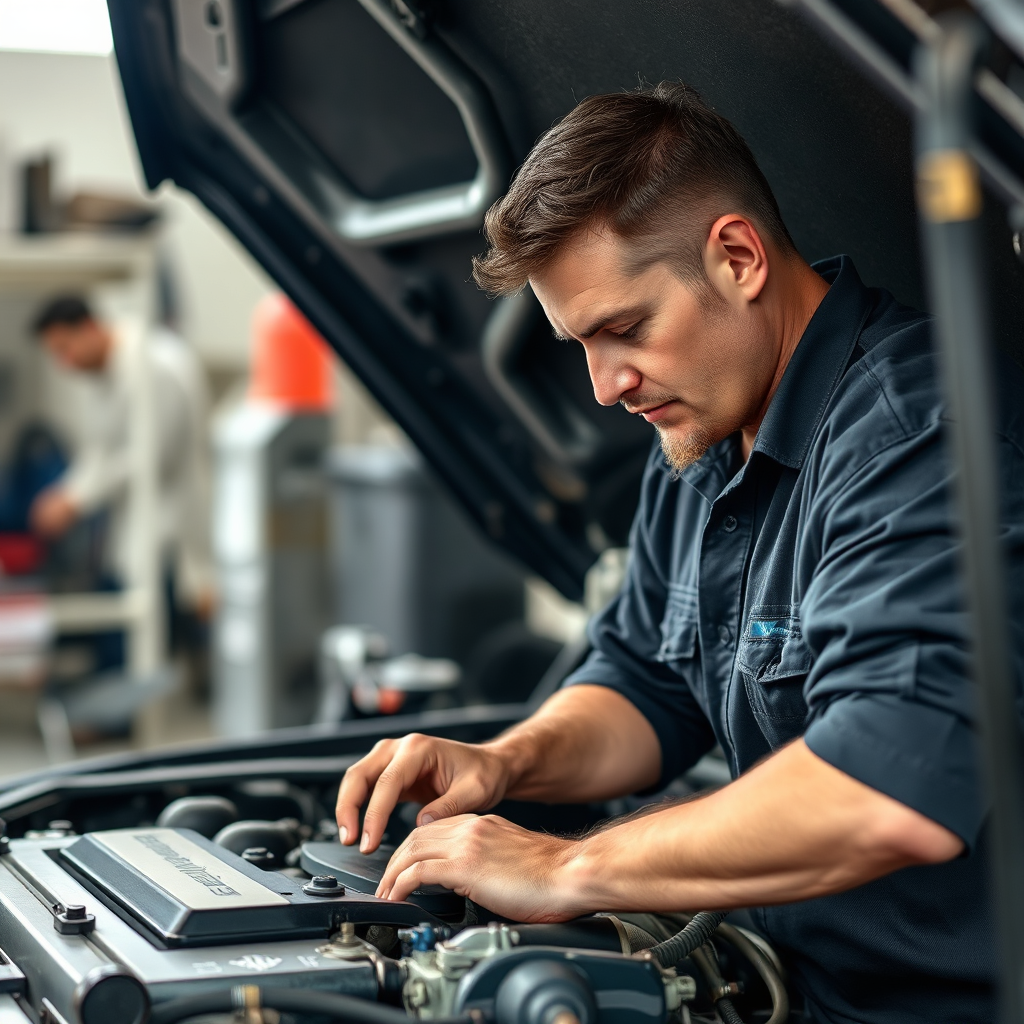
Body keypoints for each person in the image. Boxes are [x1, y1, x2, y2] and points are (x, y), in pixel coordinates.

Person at [335, 82, 1024, 1022]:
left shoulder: (918, 440)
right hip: (776, 985)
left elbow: (883, 790)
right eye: (579, 343)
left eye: (625, 329)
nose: (606, 386)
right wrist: (506, 763)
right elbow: (648, 684)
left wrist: (565, 865)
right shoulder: (704, 433)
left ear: (737, 256)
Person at [30, 296, 213, 640]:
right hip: (134, 536)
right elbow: (99, 450)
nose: (63, 364)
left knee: (161, 640)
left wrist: (76, 500)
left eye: (65, 349)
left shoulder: (156, 364)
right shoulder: (102, 375)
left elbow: (154, 455)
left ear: (90, 329)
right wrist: (65, 493)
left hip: (172, 531)